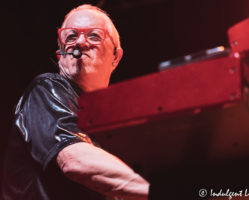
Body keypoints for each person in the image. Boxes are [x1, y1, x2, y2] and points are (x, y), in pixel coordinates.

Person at [2, 4, 149, 200]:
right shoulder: (47, 87)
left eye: (94, 35)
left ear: (116, 56)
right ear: (61, 56)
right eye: (71, 37)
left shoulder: (111, 123)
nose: (80, 42)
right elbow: (74, 161)